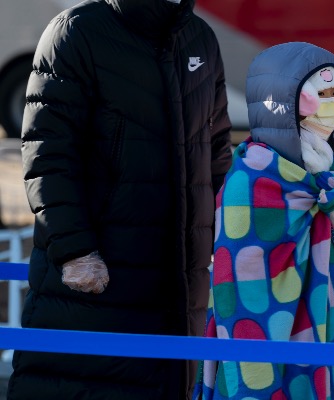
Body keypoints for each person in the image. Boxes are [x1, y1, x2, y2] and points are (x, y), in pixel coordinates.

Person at [7, 0, 232, 399]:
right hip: (98, 277)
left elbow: (215, 152)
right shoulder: (77, 32)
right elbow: (49, 155)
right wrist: (75, 250)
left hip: (181, 282)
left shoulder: (200, 38)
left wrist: (223, 236)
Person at [197, 41, 334, 399]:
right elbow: (239, 293)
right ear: (283, 102)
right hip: (265, 353)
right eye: (322, 94)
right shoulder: (250, 184)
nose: (331, 107)